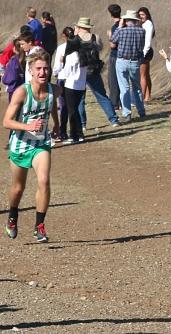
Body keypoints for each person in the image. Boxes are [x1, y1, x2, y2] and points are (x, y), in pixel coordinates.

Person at [3, 49, 61, 243]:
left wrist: (57, 124)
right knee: (18, 188)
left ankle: (39, 226)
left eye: (46, 68)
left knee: (44, 180)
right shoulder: (21, 92)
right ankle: (12, 215)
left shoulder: (54, 90)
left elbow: (52, 105)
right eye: (39, 69)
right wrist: (28, 126)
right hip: (19, 145)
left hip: (41, 144)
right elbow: (6, 122)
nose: (43, 72)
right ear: (31, 70)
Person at [74, 17, 120, 127]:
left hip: (80, 71)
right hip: (93, 70)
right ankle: (113, 120)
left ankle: (82, 124)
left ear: (79, 27)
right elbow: (100, 48)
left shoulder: (74, 39)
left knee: (80, 98)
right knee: (102, 96)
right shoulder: (96, 37)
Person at [110, 10, 146, 123]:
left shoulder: (122, 31)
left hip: (122, 60)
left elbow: (113, 40)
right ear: (136, 20)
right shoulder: (142, 31)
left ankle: (127, 113)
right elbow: (142, 46)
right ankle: (141, 111)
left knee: (124, 88)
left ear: (125, 20)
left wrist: (119, 27)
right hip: (135, 61)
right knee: (137, 88)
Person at [61, 33, 86, 144]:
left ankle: (75, 135)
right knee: (75, 110)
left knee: (72, 111)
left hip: (71, 86)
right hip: (81, 86)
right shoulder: (83, 55)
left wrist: (62, 64)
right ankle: (77, 134)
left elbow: (66, 73)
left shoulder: (70, 57)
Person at [52, 27, 74, 142]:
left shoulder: (61, 48)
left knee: (63, 106)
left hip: (62, 78)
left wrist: (55, 73)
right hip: (74, 79)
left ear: (63, 36)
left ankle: (63, 131)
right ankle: (75, 130)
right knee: (74, 105)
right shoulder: (77, 47)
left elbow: (57, 66)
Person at [138, 7, 155, 102]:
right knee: (146, 74)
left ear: (147, 15)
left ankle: (142, 97)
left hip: (145, 51)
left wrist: (143, 54)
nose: (141, 17)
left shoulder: (148, 24)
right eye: (139, 15)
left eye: (143, 15)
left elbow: (148, 42)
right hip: (144, 51)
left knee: (142, 76)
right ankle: (148, 96)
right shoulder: (142, 24)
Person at [107, 4, 121, 110]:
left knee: (113, 80)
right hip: (123, 55)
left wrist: (109, 36)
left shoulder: (115, 26)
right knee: (122, 80)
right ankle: (121, 102)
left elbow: (113, 44)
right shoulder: (125, 24)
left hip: (115, 55)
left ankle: (114, 103)